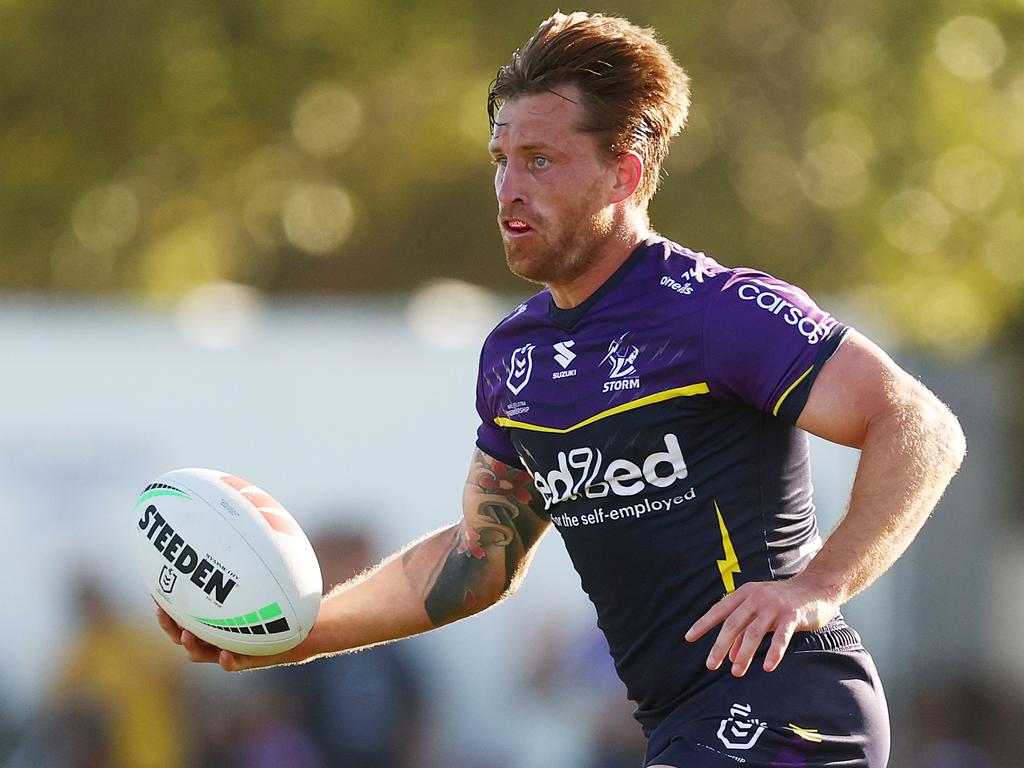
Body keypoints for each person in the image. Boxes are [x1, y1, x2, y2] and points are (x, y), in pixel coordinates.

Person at [156, 12, 966, 767]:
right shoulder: (516, 357)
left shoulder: (718, 313)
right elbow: (474, 564)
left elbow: (921, 427)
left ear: (624, 172)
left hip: (790, 702)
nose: (510, 185)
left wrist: (818, 585)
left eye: (541, 160)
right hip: (680, 725)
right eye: (502, 159)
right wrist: (289, 635)